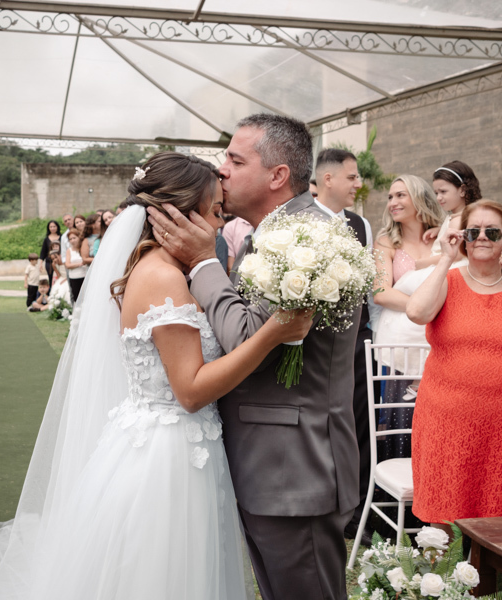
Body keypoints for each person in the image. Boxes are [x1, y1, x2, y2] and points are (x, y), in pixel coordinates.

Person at [0, 151, 312, 600]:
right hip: (167, 456)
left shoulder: (171, 270)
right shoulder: (163, 279)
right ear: (175, 214)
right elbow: (189, 391)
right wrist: (273, 333)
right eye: (214, 212)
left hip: (182, 445)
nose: (217, 226)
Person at [146, 115, 362, 600]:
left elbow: (247, 338)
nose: (220, 171)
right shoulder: (271, 233)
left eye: (234, 160)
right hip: (269, 461)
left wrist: (203, 263)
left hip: (294, 467)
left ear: (277, 176)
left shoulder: (308, 240)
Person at [406, 200, 502, 530]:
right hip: (444, 420)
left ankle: (489, 584)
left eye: (492, 231)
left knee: (497, 520)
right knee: (442, 517)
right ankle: (443, 582)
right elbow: (417, 312)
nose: (481, 237)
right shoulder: (449, 280)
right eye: (473, 231)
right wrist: (446, 258)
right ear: (461, 236)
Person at [313, 147, 374, 543]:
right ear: (329, 179)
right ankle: (324, 503)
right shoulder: (298, 218)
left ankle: (357, 512)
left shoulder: (361, 225)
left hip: (357, 337)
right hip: (316, 341)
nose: (358, 184)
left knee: (360, 423)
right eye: (352, 177)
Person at [372, 175, 445, 460]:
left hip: (439, 340)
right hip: (399, 341)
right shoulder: (386, 242)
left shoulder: (442, 239)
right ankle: (398, 481)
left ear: (419, 198)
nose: (393, 202)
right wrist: (424, 308)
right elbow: (381, 292)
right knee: (401, 415)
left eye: (401, 195)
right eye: (391, 197)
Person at [65, 230, 87, 303]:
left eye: (74, 238)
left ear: (78, 237)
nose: (72, 240)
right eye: (70, 239)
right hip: (74, 277)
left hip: (84, 275)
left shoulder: (83, 248)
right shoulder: (69, 251)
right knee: (77, 298)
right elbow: (67, 265)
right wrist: (79, 264)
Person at [39, 220, 61, 291]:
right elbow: (43, 252)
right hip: (49, 263)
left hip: (60, 262)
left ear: (57, 227)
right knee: (52, 279)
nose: (52, 228)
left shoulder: (62, 237)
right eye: (51, 227)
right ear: (48, 228)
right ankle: (52, 294)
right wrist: (40, 264)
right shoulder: (46, 239)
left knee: (61, 278)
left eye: (54, 226)